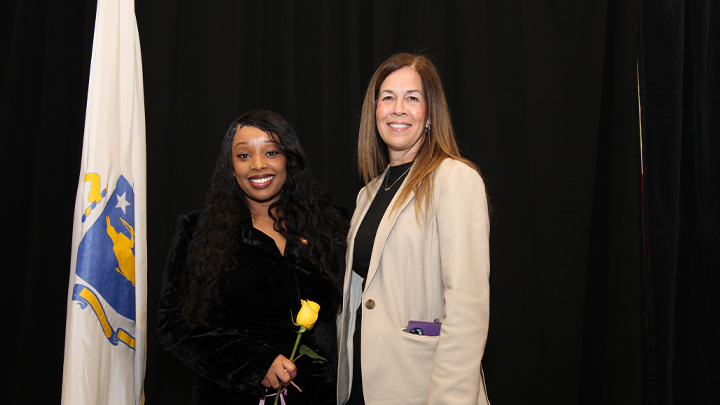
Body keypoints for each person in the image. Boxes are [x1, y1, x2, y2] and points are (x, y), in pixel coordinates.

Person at [158, 109, 348, 404]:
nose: (258, 165)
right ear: (231, 167)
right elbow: (173, 326)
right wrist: (257, 364)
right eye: (244, 156)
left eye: (271, 152)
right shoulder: (197, 231)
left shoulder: (331, 228)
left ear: (289, 160)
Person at [337, 53, 491, 405]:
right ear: (374, 111)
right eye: (388, 97)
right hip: (364, 386)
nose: (398, 108)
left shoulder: (454, 179)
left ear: (430, 114)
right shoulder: (369, 194)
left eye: (412, 98)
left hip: (422, 389)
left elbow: (468, 308)